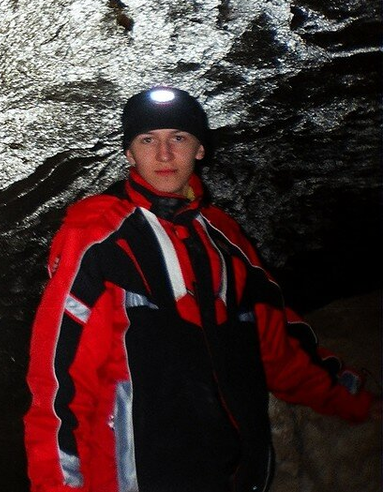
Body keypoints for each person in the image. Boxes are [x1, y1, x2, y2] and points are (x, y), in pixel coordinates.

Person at [24, 86, 379, 492]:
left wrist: (355, 399)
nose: (163, 154)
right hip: (135, 476)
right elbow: (56, 378)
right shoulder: (96, 235)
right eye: (147, 140)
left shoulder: (226, 239)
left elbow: (276, 345)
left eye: (178, 138)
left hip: (235, 475)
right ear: (128, 153)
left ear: (199, 150)